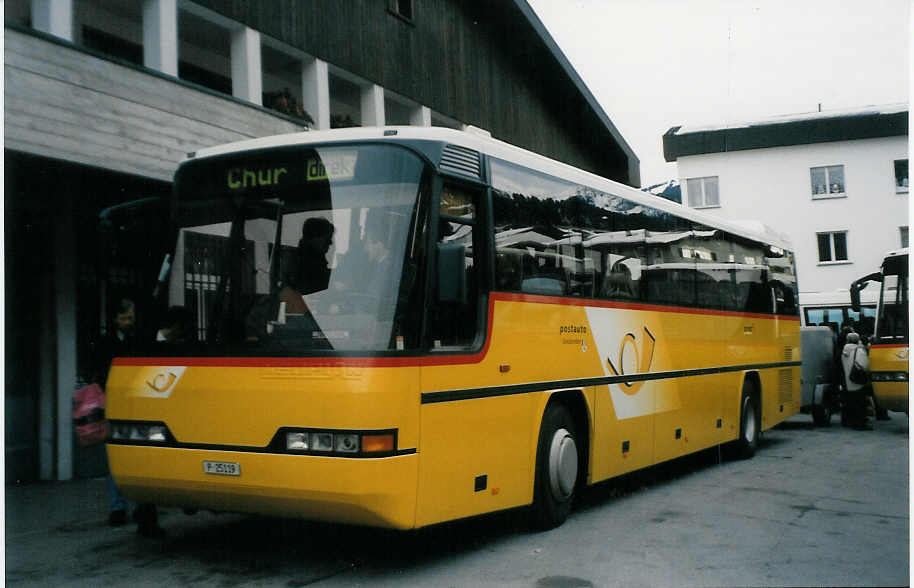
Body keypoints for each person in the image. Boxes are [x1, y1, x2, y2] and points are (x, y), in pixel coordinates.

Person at [96, 298, 135, 527]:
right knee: (114, 455)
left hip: (133, 403)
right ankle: (118, 507)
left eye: (130, 318)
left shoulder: (134, 339)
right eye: (124, 318)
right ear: (115, 319)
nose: (127, 322)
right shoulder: (106, 342)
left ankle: (135, 507)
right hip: (114, 402)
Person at [280, 217, 335, 314]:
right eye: (327, 238)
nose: (330, 242)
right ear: (315, 237)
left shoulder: (315, 260)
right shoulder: (296, 261)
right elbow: (308, 289)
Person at [841, 332, 872, 430]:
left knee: (851, 402)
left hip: (848, 380)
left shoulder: (844, 350)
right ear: (857, 340)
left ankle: (851, 421)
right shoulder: (859, 350)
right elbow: (865, 365)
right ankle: (860, 424)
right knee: (860, 403)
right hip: (857, 380)